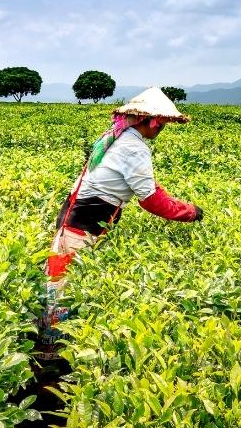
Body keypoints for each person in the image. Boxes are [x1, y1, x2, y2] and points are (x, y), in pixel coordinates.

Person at [40, 87, 203, 343]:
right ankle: (51, 350)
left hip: (78, 220)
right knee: (61, 288)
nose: (161, 129)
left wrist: (181, 205)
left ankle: (55, 343)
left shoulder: (119, 137)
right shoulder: (134, 148)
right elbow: (151, 200)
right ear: (148, 121)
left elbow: (149, 186)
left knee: (62, 282)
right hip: (81, 226)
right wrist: (189, 213)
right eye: (161, 124)